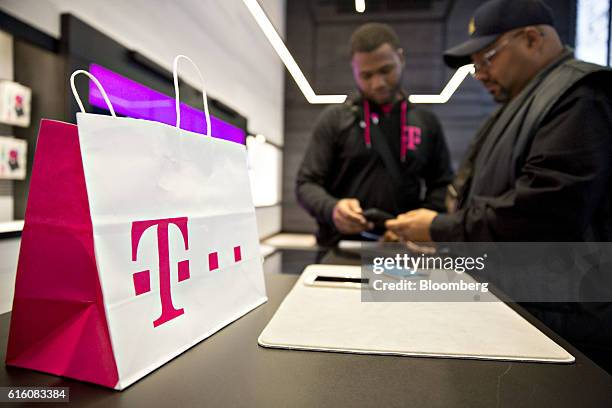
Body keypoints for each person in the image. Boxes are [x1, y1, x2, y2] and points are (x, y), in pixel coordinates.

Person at [385, 0, 612, 373]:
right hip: (524, 312)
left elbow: (541, 214)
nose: (480, 73)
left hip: (564, 326)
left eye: (486, 59)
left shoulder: (580, 98)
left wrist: (438, 228)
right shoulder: (523, 102)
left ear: (532, 39)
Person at [296, 23, 454, 247]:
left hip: (405, 248)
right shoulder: (335, 118)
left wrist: (422, 219)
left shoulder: (426, 122)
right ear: (353, 70)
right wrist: (333, 209)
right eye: (366, 75)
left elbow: (442, 184)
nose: (377, 83)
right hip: (341, 246)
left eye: (385, 70)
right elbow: (306, 184)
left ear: (401, 58)